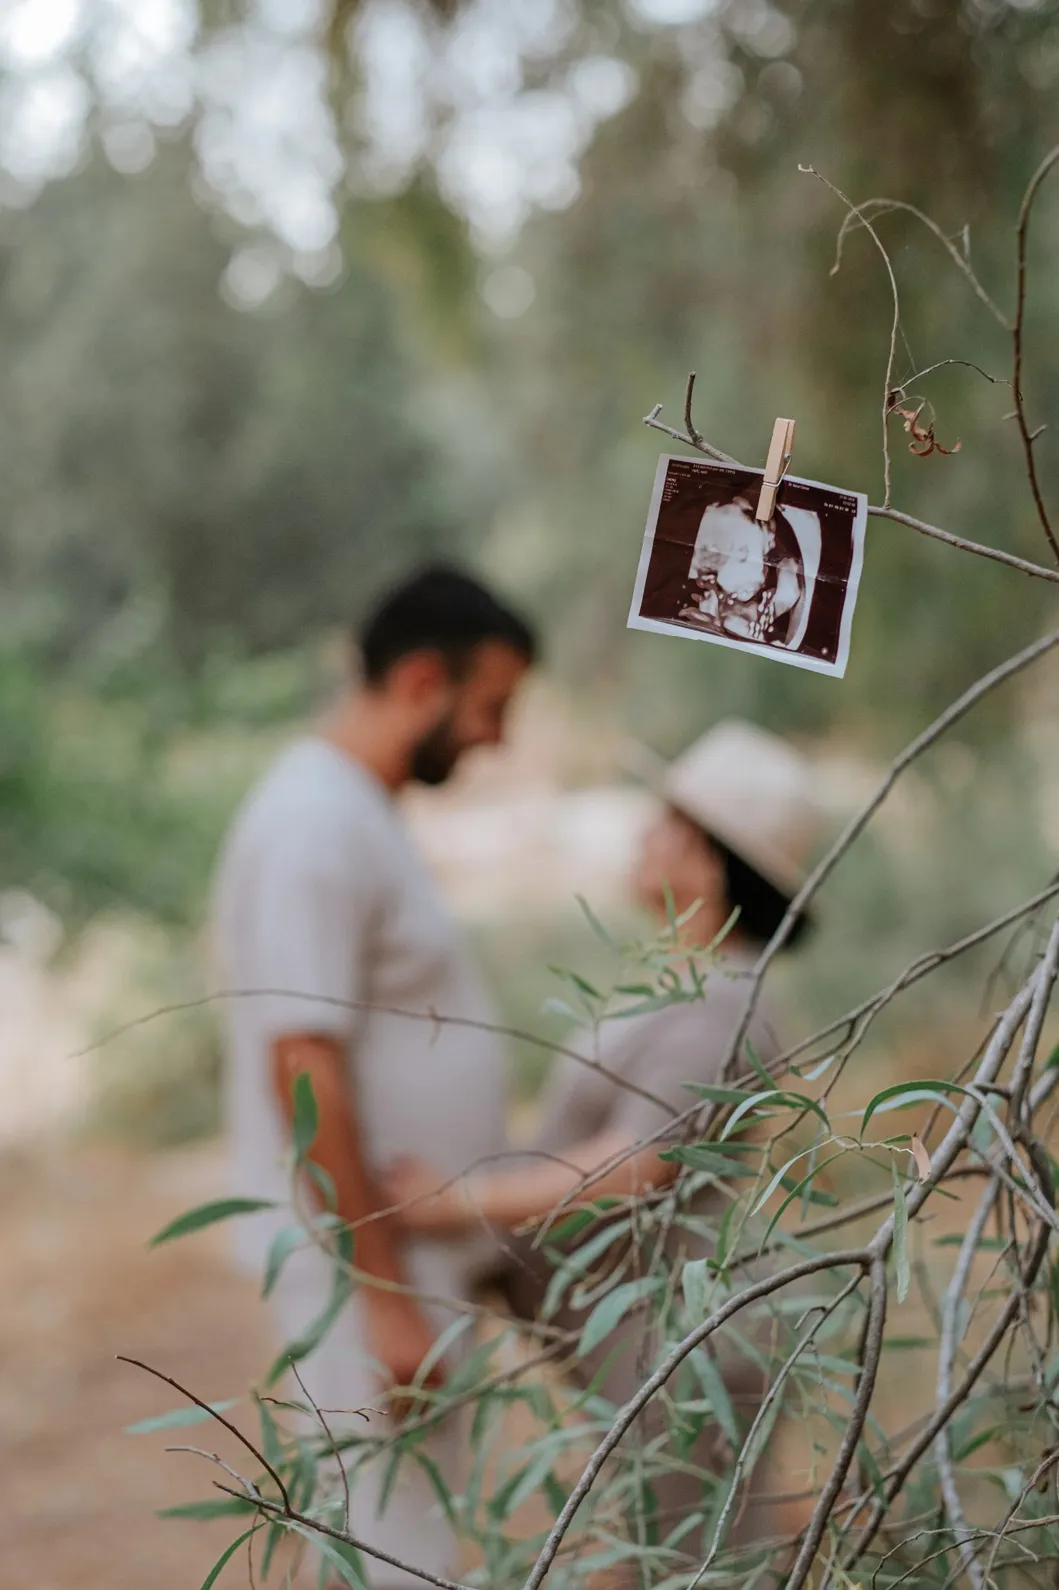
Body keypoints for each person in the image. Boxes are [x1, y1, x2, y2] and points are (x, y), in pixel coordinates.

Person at [384, 718, 822, 1571]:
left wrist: (452, 1203)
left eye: (664, 823)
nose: (640, 836)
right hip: (650, 1355)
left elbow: (632, 1165)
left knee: (693, 1568)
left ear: (707, 862)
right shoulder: (690, 987)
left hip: (683, 1360)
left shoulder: (721, 1006)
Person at [210, 564, 536, 1590]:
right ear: (422, 681)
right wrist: (385, 1299)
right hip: (366, 1268)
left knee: (411, 1548)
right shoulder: (312, 823)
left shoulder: (354, 812)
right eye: (491, 708)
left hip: (402, 1255)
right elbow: (301, 1063)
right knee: (395, 1559)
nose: (496, 739)